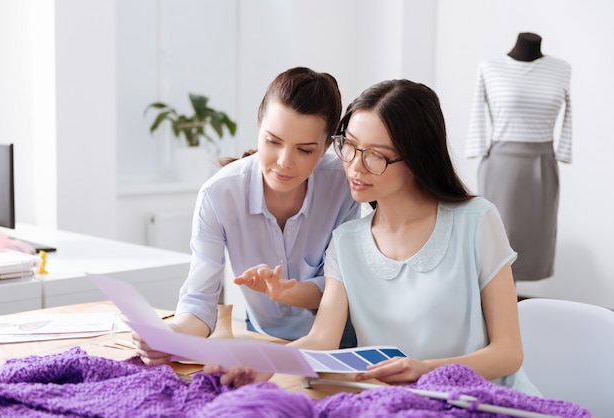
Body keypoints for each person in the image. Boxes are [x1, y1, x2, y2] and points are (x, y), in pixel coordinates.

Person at [213, 79, 540, 395]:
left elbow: (509, 353)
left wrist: (426, 370)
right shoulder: (346, 242)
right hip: (393, 402)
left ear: (415, 158)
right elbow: (322, 339)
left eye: (375, 155)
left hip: (481, 400)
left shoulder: (476, 221)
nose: (355, 167)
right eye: (350, 146)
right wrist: (265, 363)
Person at [134, 67, 360, 365]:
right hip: (263, 337)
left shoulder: (343, 185)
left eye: (304, 150)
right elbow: (200, 301)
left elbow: (337, 288)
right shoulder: (219, 195)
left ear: (326, 148)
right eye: (273, 141)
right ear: (258, 125)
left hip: (334, 342)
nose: (284, 162)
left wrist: (282, 292)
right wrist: (172, 333)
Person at [465, 32, 572, 281]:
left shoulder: (561, 69)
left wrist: (563, 151)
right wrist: (477, 147)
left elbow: (569, 115)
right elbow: (477, 113)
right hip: (502, 164)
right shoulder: (490, 67)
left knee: (537, 240)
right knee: (496, 240)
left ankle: (512, 310)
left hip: (543, 164)